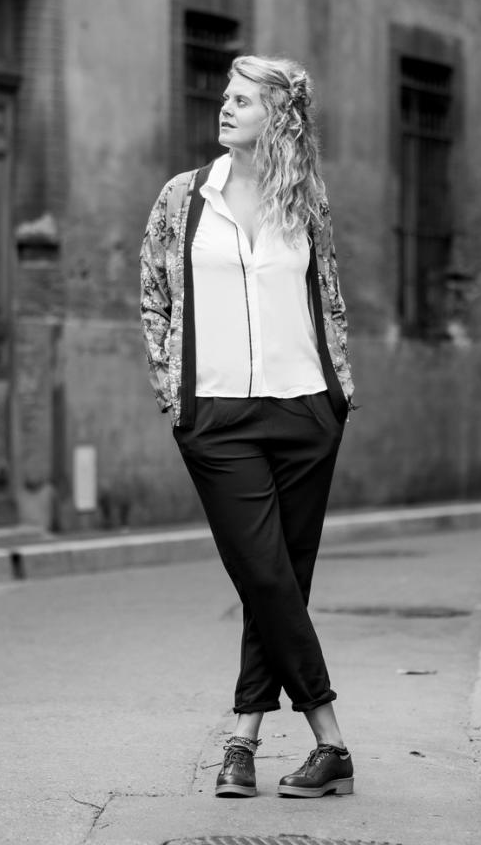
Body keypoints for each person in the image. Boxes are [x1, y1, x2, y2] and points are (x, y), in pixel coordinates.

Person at [139, 54, 355, 799]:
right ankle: (331, 738)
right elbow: (153, 297)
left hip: (304, 409)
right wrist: (175, 395)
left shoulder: (306, 202)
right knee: (262, 572)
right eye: (226, 96)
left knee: (283, 580)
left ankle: (243, 740)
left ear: (279, 117)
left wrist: (337, 395)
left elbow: (329, 298)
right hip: (217, 415)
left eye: (243, 100)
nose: (226, 107)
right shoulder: (184, 197)